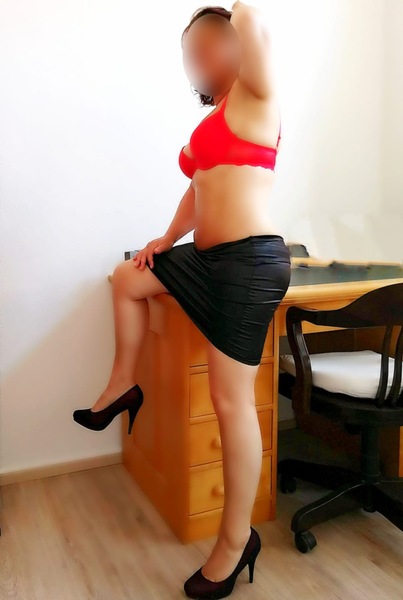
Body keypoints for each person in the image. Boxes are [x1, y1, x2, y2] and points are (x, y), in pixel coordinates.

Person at [73, 2, 291, 598]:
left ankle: (236, 540)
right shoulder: (214, 119)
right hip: (206, 259)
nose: (194, 57)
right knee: (128, 278)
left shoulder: (256, 95)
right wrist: (165, 241)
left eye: (206, 43)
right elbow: (198, 189)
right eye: (188, 51)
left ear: (235, 44)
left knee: (228, 401)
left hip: (248, 263)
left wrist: (235, 20)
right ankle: (124, 385)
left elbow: (250, 16)